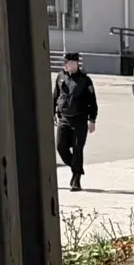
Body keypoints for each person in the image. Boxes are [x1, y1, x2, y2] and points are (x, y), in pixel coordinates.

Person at [53, 51, 98, 192]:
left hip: (80, 119)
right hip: (64, 118)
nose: (69, 66)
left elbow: (92, 101)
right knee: (61, 147)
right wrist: (52, 112)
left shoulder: (85, 80)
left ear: (77, 64)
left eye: (72, 63)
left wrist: (92, 120)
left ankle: (76, 180)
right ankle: (76, 167)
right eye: (67, 63)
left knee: (78, 149)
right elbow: (55, 96)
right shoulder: (60, 77)